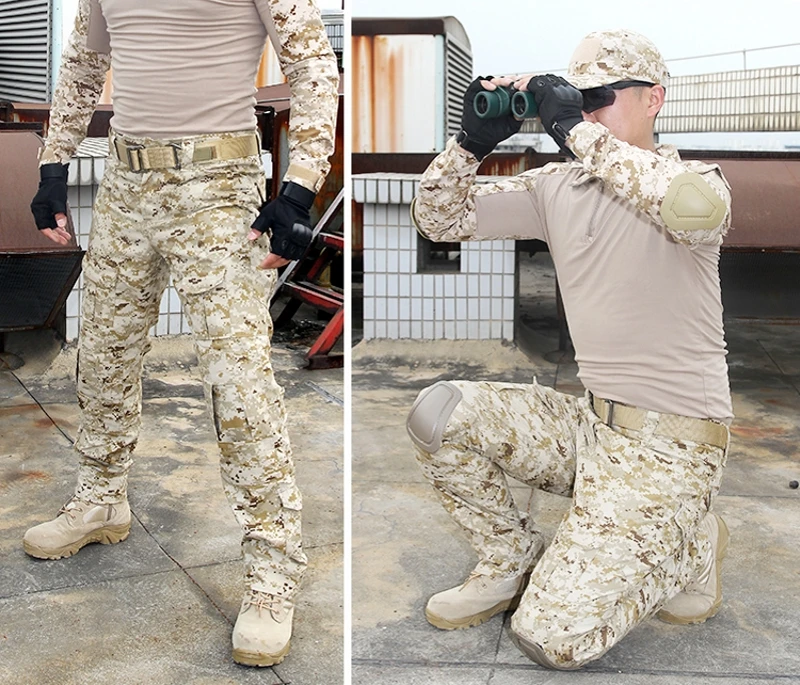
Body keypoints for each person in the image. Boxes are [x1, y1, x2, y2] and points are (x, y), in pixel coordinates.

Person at [24, 0, 339, 668]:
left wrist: (301, 185)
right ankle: (101, 498)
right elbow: (83, 65)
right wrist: (54, 165)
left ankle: (272, 566)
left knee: (237, 377)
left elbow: (311, 62)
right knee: (103, 353)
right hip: (125, 185)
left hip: (218, 185)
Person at [407, 29, 733, 670]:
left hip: (672, 444)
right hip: (591, 426)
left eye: (600, 97)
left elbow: (691, 209)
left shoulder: (691, 180)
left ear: (653, 100)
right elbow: (439, 219)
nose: (583, 112)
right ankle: (508, 558)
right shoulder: (558, 186)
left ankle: (692, 539)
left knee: (554, 638)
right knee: (438, 412)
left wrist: (576, 131)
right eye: (575, 99)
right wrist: (470, 144)